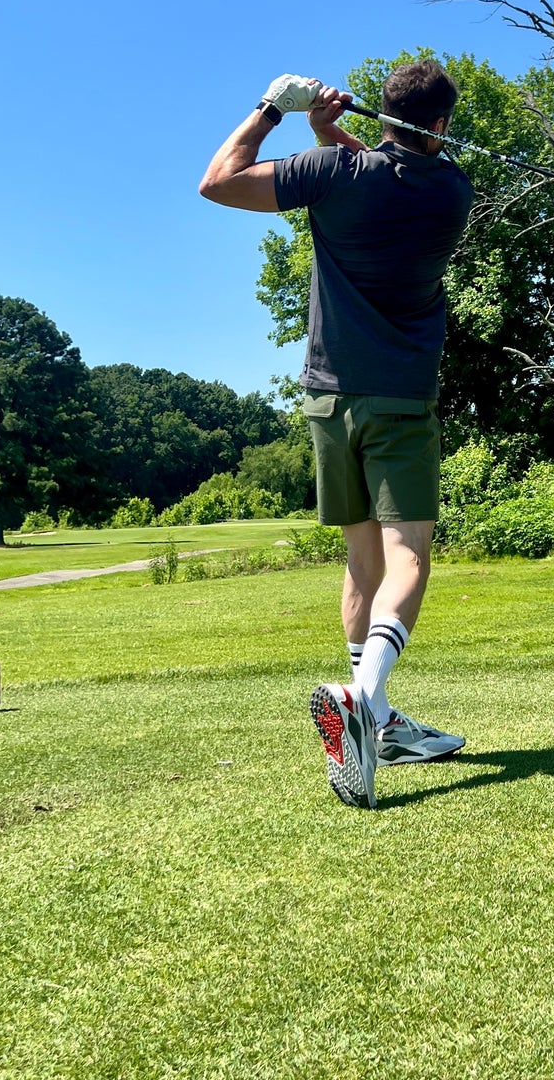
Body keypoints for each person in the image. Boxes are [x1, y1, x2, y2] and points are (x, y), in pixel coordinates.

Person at [199, 59, 475, 810]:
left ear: (380, 112)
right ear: (439, 126)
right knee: (408, 555)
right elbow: (388, 173)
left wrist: (274, 111)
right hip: (400, 400)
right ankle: (365, 700)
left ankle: (375, 720)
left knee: (360, 562)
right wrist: (331, 133)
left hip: (327, 398)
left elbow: (219, 181)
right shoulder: (453, 191)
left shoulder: (328, 173)